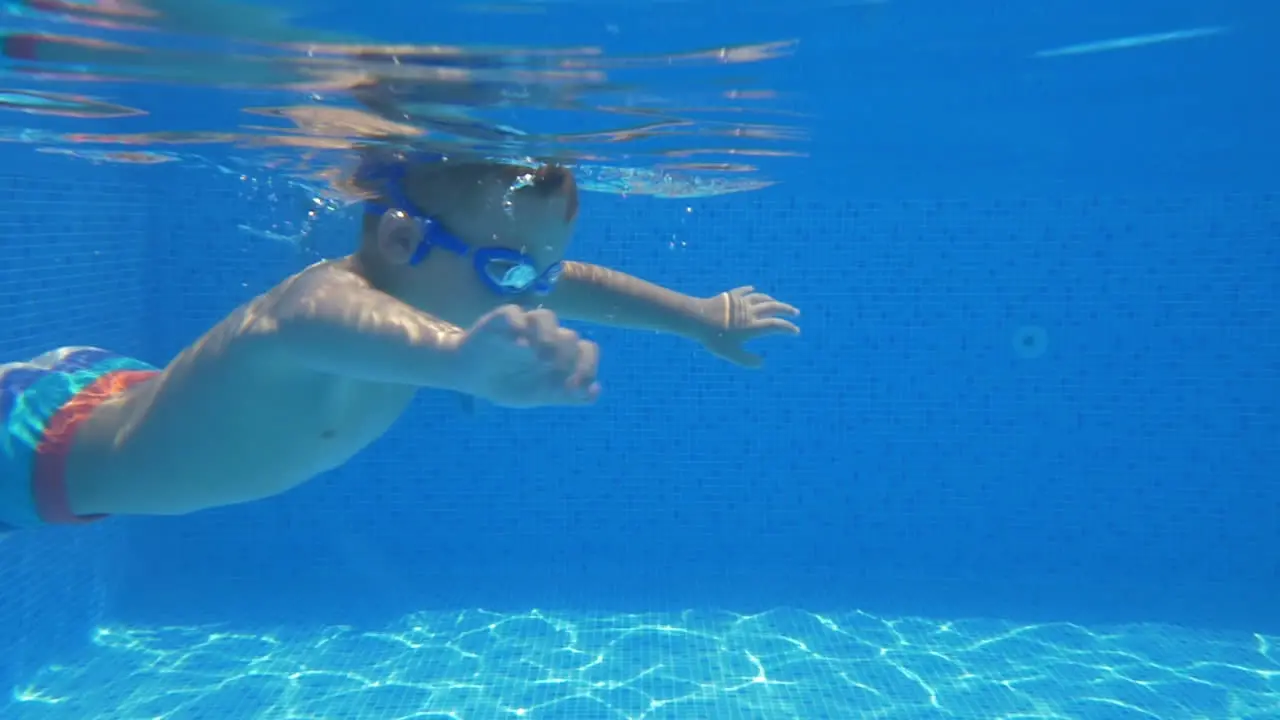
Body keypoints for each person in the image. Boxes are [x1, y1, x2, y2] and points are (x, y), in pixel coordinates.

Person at [0, 154, 799, 537]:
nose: (531, 291)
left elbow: (576, 280)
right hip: (35, 451)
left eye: (534, 274)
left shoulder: (466, 281)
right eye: (507, 268)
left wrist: (698, 316)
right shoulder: (320, 300)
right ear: (398, 237)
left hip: (106, 397)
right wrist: (461, 364)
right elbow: (320, 329)